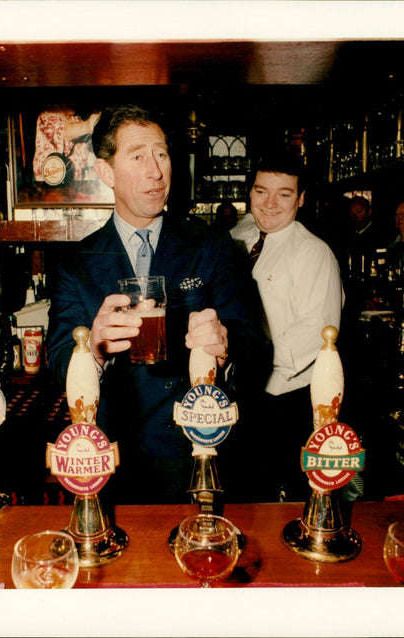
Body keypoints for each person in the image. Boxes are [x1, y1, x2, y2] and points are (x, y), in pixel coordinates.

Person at [46, 105, 269, 504]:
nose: (156, 171)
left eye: (162, 154)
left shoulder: (214, 246)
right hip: (118, 464)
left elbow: (254, 343)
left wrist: (227, 344)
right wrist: (90, 349)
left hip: (203, 455)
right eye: (137, 157)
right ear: (105, 173)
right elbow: (59, 359)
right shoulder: (76, 263)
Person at [230, 151, 343, 502]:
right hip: (240, 391)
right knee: (241, 491)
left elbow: (318, 329)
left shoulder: (313, 252)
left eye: (285, 194)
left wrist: (246, 357)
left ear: (302, 198)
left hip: (283, 399)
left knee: (280, 498)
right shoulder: (240, 236)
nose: (271, 204)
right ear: (249, 193)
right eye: (262, 191)